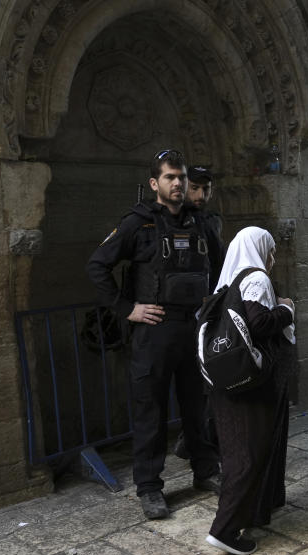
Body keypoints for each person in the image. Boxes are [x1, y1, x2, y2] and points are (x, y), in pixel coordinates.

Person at [86, 149, 221, 520]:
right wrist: (128, 309)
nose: (177, 183)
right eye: (169, 178)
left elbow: (221, 271)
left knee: (198, 407)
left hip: (194, 329)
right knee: (150, 412)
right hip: (154, 333)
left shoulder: (203, 223)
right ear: (154, 184)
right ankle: (149, 488)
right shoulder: (138, 223)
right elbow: (97, 267)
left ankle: (206, 471)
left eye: (180, 177)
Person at [205, 227, 295, 555]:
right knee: (247, 455)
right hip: (253, 386)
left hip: (228, 382)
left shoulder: (227, 281)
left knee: (239, 452)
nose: (272, 259)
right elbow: (259, 324)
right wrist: (287, 309)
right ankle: (224, 530)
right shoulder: (256, 278)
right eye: (270, 251)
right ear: (259, 250)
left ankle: (255, 511)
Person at [173, 165, 224, 461]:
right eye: (195, 187)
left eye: (206, 189)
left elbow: (217, 263)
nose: (200, 194)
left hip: (203, 311)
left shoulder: (209, 222)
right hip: (174, 316)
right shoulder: (169, 219)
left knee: (205, 381)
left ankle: (198, 441)